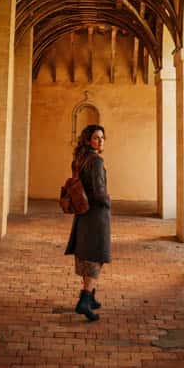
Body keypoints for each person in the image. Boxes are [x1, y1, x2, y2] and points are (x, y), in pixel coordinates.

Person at [64, 123, 111, 321]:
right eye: (96, 138)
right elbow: (99, 191)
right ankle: (84, 301)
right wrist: (108, 201)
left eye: (102, 137)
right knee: (96, 256)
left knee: (86, 253)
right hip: (95, 214)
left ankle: (90, 297)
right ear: (88, 140)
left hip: (82, 213)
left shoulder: (79, 159)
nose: (100, 141)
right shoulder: (97, 161)